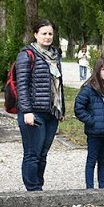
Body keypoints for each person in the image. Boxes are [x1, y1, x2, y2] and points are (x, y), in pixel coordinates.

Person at [16, 19, 65, 191]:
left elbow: (57, 85)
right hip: (33, 112)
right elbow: (22, 86)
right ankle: (33, 190)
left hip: (51, 113)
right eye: (44, 33)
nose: (47, 37)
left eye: (50, 33)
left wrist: (61, 108)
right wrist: (27, 111)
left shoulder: (55, 55)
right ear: (36, 34)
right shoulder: (26, 55)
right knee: (33, 153)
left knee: (43, 154)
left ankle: (39, 187)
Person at [74, 58, 104, 189]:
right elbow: (79, 108)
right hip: (95, 132)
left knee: (103, 161)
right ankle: (90, 188)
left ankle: (103, 187)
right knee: (91, 160)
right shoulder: (89, 89)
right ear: (98, 71)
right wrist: (92, 122)